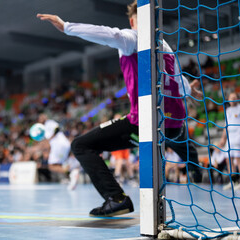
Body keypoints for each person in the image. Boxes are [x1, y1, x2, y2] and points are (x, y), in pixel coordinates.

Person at [37, 0, 202, 217]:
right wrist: (191, 91)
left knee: (81, 145)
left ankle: (116, 198)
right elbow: (179, 82)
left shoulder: (134, 38)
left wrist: (67, 26)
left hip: (145, 122)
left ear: (133, 20)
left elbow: (112, 35)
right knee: (170, 135)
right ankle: (193, 161)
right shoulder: (166, 48)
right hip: (174, 124)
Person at [220, 92, 240, 190]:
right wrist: (223, 138)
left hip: (238, 137)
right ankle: (233, 181)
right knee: (228, 159)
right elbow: (226, 125)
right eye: (230, 98)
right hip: (230, 138)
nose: (232, 100)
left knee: (238, 160)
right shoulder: (228, 110)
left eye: (234, 97)